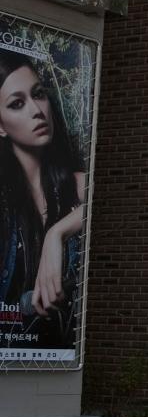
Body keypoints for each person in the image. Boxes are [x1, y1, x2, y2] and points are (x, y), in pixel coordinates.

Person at [0, 51, 86, 348]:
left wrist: (57, 233)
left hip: (59, 348)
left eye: (39, 95)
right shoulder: (6, 200)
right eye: (17, 104)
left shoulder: (75, 184)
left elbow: (112, 204)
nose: (37, 110)